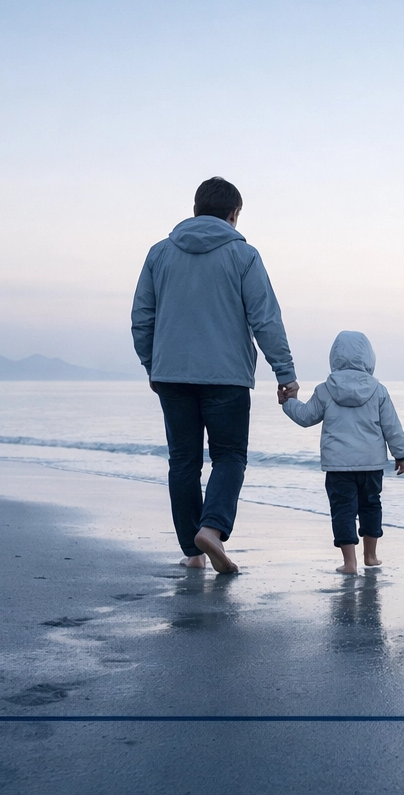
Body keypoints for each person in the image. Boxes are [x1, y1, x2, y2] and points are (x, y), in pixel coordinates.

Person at [131, 177, 299, 574]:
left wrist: (151, 365)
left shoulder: (159, 254)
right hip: (227, 378)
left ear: (195, 209)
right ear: (234, 214)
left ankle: (193, 552)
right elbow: (265, 319)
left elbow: (142, 318)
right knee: (229, 457)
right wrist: (285, 372)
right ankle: (212, 529)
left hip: (171, 375)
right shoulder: (244, 257)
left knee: (183, 462)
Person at [282, 330, 404, 574]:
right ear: (369, 358)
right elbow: (391, 426)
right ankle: (370, 556)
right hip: (371, 465)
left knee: (343, 510)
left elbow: (306, 417)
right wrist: (400, 454)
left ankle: (350, 563)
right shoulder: (378, 390)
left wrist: (289, 402)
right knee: (371, 506)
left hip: (338, 466)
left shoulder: (325, 389)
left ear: (335, 357)